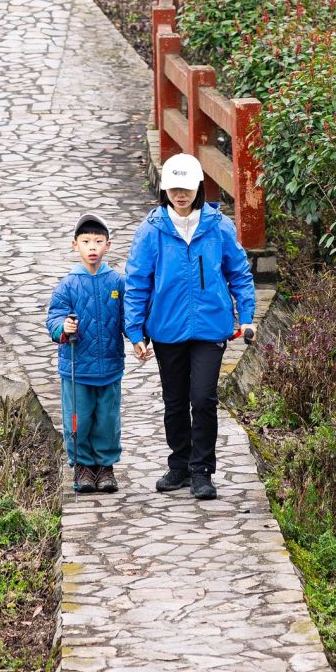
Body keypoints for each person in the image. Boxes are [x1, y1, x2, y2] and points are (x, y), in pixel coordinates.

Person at [124, 153, 257, 501]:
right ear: (165, 189)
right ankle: (179, 465)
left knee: (203, 398)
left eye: (186, 188)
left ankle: (202, 470)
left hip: (211, 328)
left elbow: (239, 274)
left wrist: (246, 317)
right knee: (174, 401)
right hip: (167, 330)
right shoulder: (151, 231)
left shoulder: (219, 227)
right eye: (174, 188)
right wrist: (135, 332)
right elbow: (137, 283)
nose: (180, 195)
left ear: (198, 187)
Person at [46, 212, 125, 493]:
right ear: (74, 245)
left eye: (98, 241)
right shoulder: (68, 284)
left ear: (108, 245)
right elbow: (54, 317)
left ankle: (105, 467)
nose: (92, 247)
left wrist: (139, 339)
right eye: (86, 241)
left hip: (110, 366)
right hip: (77, 367)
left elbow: (128, 318)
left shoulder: (117, 282)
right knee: (78, 418)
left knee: (107, 419)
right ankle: (82, 466)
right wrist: (63, 328)